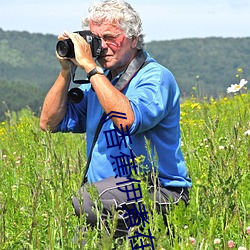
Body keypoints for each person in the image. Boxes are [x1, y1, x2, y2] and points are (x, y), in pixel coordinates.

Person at [40, 0, 192, 245]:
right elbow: (49, 123)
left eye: (110, 37)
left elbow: (126, 120)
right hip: (109, 200)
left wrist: (90, 68)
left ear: (133, 38)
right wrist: (66, 70)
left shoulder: (154, 77)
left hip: (158, 192)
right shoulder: (99, 83)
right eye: (96, 39)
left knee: (86, 200)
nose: (102, 47)